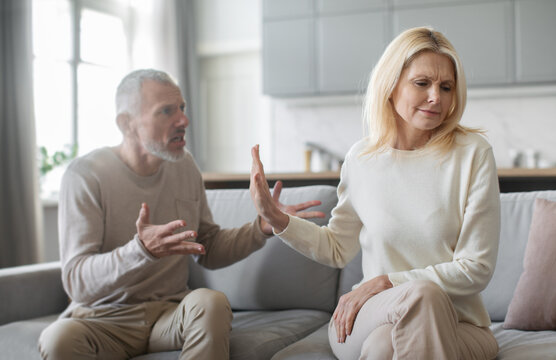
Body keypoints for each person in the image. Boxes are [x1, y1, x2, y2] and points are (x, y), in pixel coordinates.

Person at [250, 27, 500, 360]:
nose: (436, 97)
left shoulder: (472, 154)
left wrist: (386, 281)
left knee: (388, 341)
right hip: (375, 313)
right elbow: (338, 248)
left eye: (446, 87)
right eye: (422, 83)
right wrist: (277, 219)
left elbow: (476, 268)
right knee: (417, 299)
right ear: (391, 85)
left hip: (461, 324)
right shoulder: (362, 158)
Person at [38, 69, 322, 360]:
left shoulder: (184, 165)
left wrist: (261, 227)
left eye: (182, 108)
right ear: (127, 124)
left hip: (168, 314)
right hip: (103, 319)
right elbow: (77, 280)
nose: (183, 120)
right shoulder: (86, 176)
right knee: (58, 338)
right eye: (166, 111)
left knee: (210, 303)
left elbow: (207, 247)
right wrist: (140, 251)